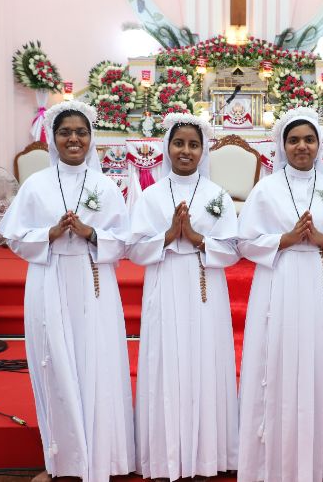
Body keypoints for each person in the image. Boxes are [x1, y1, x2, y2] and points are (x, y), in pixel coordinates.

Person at [0, 100, 135, 482]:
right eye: (65, 132)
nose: (73, 139)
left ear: (91, 138)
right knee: (55, 364)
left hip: (93, 282)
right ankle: (62, 461)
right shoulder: (36, 185)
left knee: (97, 362)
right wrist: (50, 233)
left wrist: (91, 233)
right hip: (49, 277)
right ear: (52, 138)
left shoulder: (106, 186)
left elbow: (124, 241)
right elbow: (14, 238)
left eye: (80, 132)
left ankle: (103, 457)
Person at [237, 107, 323, 481]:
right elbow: (245, 242)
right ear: (282, 145)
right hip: (280, 279)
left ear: (319, 144)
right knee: (279, 356)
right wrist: (286, 239)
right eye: (293, 140)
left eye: (309, 139)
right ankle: (275, 462)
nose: (301, 146)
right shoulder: (266, 189)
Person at [127, 113, 239, 480]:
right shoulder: (151, 195)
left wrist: (196, 239)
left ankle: (207, 455)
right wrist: (167, 236)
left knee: (206, 358)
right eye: (179, 143)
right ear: (167, 147)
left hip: (205, 284)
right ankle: (166, 456)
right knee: (165, 359)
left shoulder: (216, 195)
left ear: (203, 150)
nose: (185, 151)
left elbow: (232, 250)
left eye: (193, 144)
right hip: (165, 281)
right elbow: (134, 249)